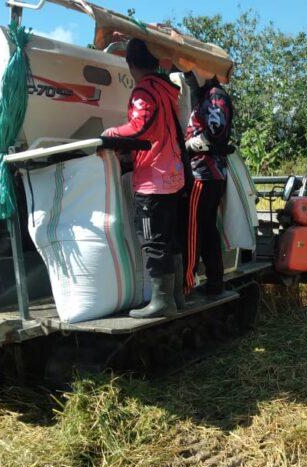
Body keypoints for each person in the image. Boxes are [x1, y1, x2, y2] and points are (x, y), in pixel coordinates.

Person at [102, 38, 190, 318]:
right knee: (170, 238)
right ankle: (176, 297)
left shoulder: (145, 89)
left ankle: (162, 302)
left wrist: (110, 134)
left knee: (153, 240)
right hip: (172, 173)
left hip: (154, 177)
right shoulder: (166, 88)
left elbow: (140, 126)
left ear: (131, 64)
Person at [182, 72, 234, 296]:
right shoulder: (209, 95)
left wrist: (189, 145)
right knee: (206, 228)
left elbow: (215, 132)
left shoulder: (214, 96)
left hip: (203, 173)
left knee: (193, 229)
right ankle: (214, 282)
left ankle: (186, 285)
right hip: (210, 173)